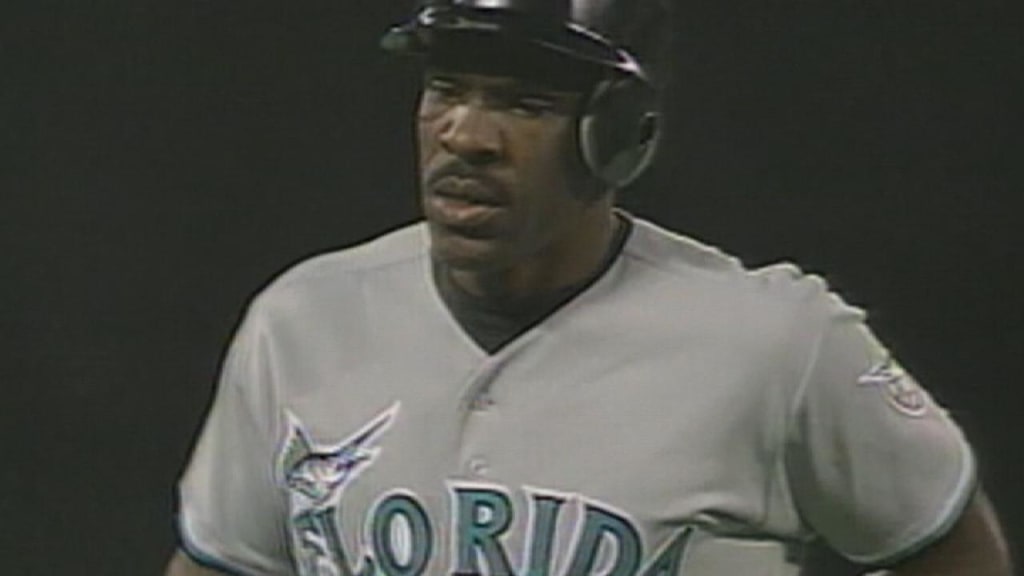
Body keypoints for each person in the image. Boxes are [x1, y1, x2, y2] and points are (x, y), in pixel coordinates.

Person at [166, 1, 1012, 575]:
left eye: (523, 103)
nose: (465, 134)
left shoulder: (774, 343)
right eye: (445, 90)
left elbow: (954, 552)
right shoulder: (303, 319)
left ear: (622, 134)